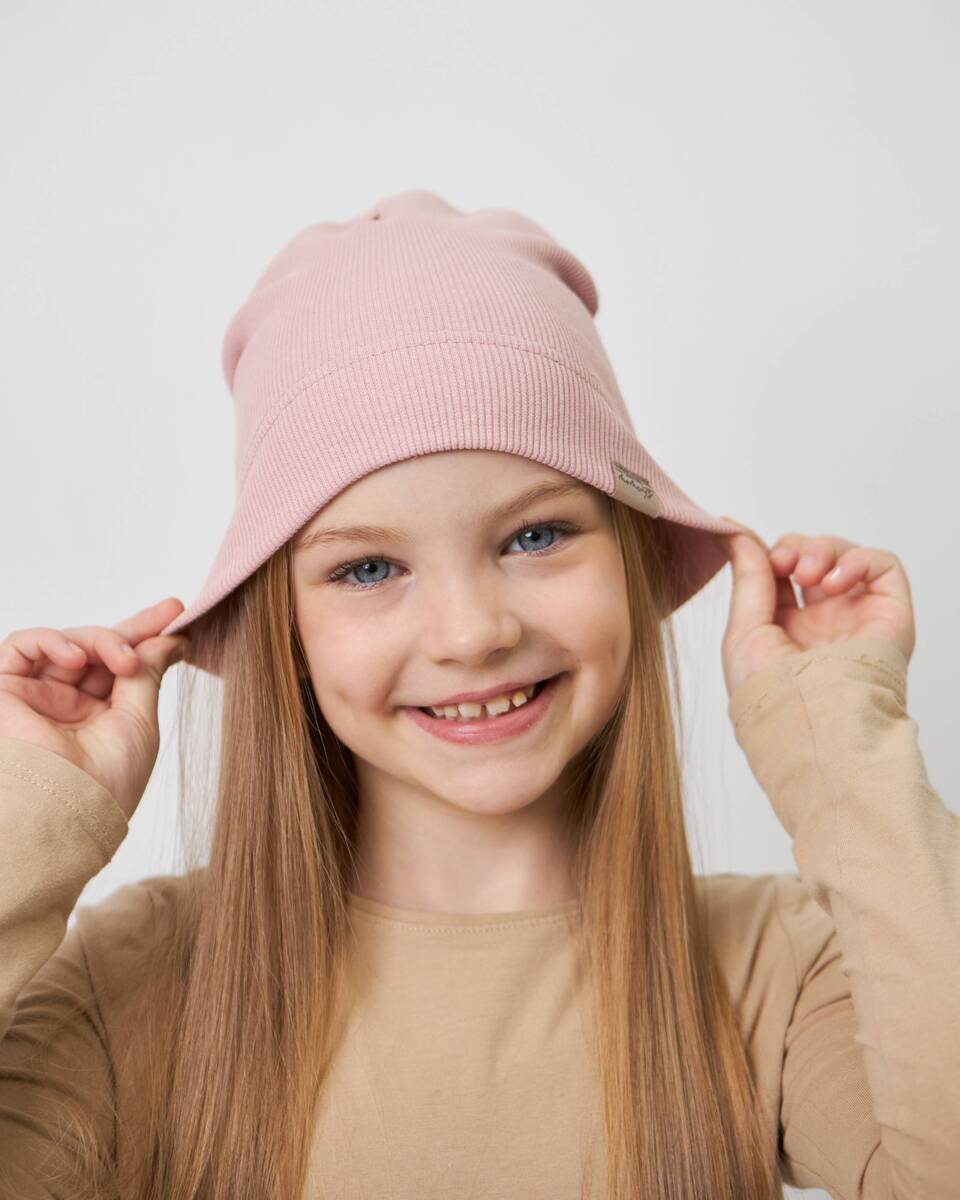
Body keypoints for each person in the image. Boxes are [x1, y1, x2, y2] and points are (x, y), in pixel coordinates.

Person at [0, 191, 956, 1200]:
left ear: (629, 560)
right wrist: (29, 817)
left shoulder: (772, 973)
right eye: (368, 568)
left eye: (535, 536)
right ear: (286, 631)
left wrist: (840, 744)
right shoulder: (137, 984)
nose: (471, 634)